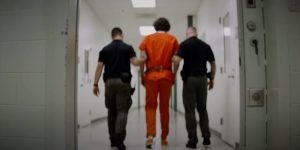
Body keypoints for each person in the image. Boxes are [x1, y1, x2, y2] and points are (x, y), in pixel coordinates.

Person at [93, 27, 145, 150]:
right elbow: (134, 62)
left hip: (109, 83)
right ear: (122, 35)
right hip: (123, 83)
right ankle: (119, 138)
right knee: (122, 111)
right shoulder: (128, 48)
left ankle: (112, 139)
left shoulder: (105, 50)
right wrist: (143, 59)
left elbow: (99, 67)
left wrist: (95, 84)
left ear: (112, 36)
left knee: (111, 111)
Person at [173, 26, 216, 149]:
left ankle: (192, 141)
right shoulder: (205, 46)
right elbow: (213, 64)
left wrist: (174, 75)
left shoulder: (184, 44)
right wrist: (212, 79)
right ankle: (206, 137)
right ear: (195, 33)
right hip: (203, 79)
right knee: (202, 109)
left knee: (190, 111)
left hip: (190, 80)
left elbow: (177, 61)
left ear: (187, 33)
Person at [139, 17, 179, 148]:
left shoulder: (147, 39)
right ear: (167, 27)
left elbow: (142, 58)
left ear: (155, 26)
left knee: (150, 106)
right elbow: (176, 60)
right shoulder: (172, 39)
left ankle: (150, 136)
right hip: (166, 76)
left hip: (151, 76)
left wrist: (142, 74)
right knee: (164, 107)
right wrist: (174, 74)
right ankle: (164, 137)